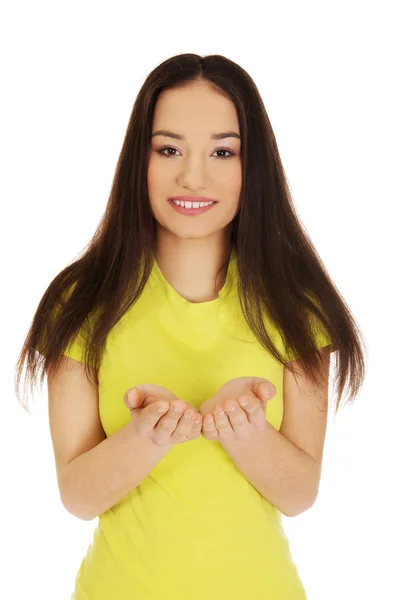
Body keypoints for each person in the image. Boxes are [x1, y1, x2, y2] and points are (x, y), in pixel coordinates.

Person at [15, 53, 366, 599]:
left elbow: (299, 494)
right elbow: (78, 497)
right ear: (141, 158)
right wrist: (146, 436)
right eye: (169, 149)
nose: (194, 175)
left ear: (255, 166)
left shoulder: (296, 305)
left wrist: (247, 432)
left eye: (223, 151)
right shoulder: (80, 303)